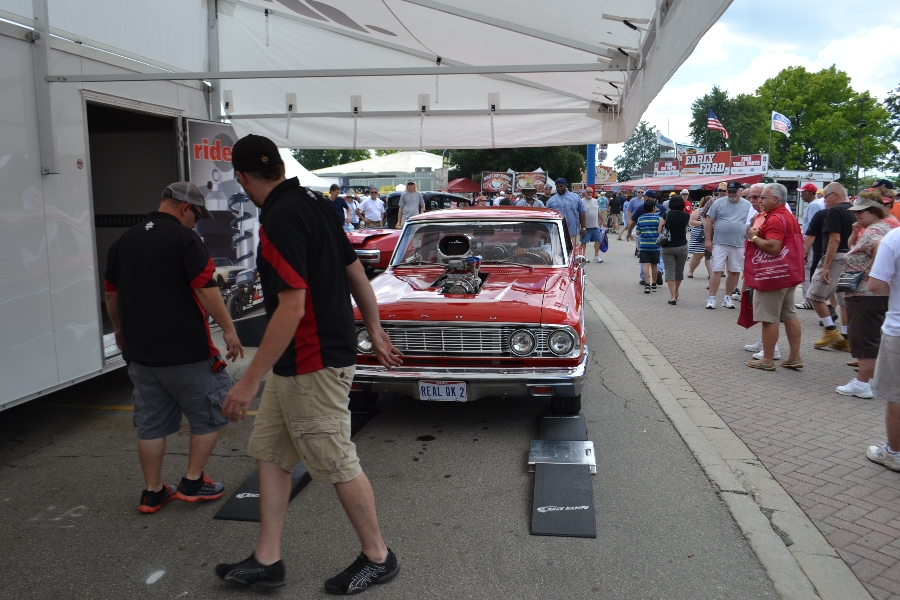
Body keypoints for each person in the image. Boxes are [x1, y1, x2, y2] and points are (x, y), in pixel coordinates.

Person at [217, 135, 403, 592]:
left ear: (241, 178)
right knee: (270, 453)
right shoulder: (315, 203)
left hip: (312, 362)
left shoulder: (278, 218)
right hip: (302, 361)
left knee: (336, 460)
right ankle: (267, 558)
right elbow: (355, 271)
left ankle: (378, 557)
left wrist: (248, 382)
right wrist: (374, 326)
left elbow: (292, 307)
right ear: (281, 167)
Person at [104, 182, 244, 514]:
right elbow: (206, 289)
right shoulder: (185, 239)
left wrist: (120, 329)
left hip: (141, 354)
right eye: (197, 216)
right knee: (211, 414)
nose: (196, 223)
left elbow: (112, 293)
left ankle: (153, 492)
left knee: (151, 424)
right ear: (185, 208)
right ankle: (193, 481)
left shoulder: (124, 241)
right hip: (187, 352)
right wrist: (229, 329)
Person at [835, 193, 892, 398]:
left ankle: (862, 383)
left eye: (862, 211)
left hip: (865, 294)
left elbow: (879, 246)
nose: (857, 214)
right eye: (856, 211)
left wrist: (872, 273)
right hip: (869, 294)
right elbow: (856, 248)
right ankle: (871, 380)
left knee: (864, 337)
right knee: (869, 336)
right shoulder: (878, 227)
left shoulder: (875, 230)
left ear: (874, 211)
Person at [745, 183, 803, 371]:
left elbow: (773, 246)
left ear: (776, 199)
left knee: (769, 318)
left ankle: (767, 359)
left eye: (763, 197)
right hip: (788, 271)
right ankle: (794, 357)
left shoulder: (775, 219)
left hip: (773, 275)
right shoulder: (788, 216)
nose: (759, 201)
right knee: (789, 315)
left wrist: (754, 237)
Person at [864, 225, 900, 471]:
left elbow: (875, 285)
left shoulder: (894, 238)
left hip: (898, 328)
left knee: (897, 394)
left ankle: (894, 452)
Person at [808, 183, 855, 350]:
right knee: (844, 300)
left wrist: (826, 265)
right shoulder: (855, 210)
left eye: (826, 197)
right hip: (851, 257)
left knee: (815, 295)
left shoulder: (835, 211)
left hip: (837, 257)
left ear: (835, 195)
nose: (824, 201)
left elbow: (834, 240)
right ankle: (846, 337)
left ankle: (830, 330)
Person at [704, 181, 751, 309]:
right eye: (729, 191)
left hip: (739, 243)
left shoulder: (747, 205)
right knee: (716, 270)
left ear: (740, 191)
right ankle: (712, 298)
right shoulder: (718, 202)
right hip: (720, 242)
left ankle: (728, 297)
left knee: (734, 271)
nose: (731, 194)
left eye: (734, 191)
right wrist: (708, 240)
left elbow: (751, 223)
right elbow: (709, 221)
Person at [659, 195, 690, 304]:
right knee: (679, 271)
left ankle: (672, 296)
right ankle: (676, 291)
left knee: (669, 271)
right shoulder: (686, 215)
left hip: (667, 246)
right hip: (682, 246)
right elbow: (686, 226)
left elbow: (659, 230)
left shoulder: (666, 214)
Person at [546, 177, 586, 246]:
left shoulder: (575, 197)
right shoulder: (551, 200)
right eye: (557, 187)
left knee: (574, 251)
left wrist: (584, 228)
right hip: (557, 233)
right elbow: (547, 216)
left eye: (561, 186)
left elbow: (582, 212)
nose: (559, 188)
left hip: (573, 232)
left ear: (566, 185)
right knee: (558, 252)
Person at [636, 199, 662, 294]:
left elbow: (638, 232)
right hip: (655, 246)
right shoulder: (658, 218)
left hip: (644, 246)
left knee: (645, 265)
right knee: (654, 265)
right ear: (653, 208)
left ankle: (647, 285)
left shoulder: (640, 218)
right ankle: (654, 284)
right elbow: (661, 231)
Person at [687, 196, 711, 278]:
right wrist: (703, 223)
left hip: (712, 235)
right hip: (699, 235)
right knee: (698, 254)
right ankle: (691, 271)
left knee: (710, 255)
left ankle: (711, 273)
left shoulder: (715, 211)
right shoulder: (699, 211)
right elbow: (692, 221)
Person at [580, 186, 604, 263]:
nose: (590, 193)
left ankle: (596, 256)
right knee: (584, 242)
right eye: (588, 192)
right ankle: (583, 256)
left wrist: (603, 221)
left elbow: (598, 212)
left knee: (598, 240)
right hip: (585, 227)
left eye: (591, 192)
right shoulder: (581, 201)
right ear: (585, 193)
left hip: (595, 226)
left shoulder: (595, 201)